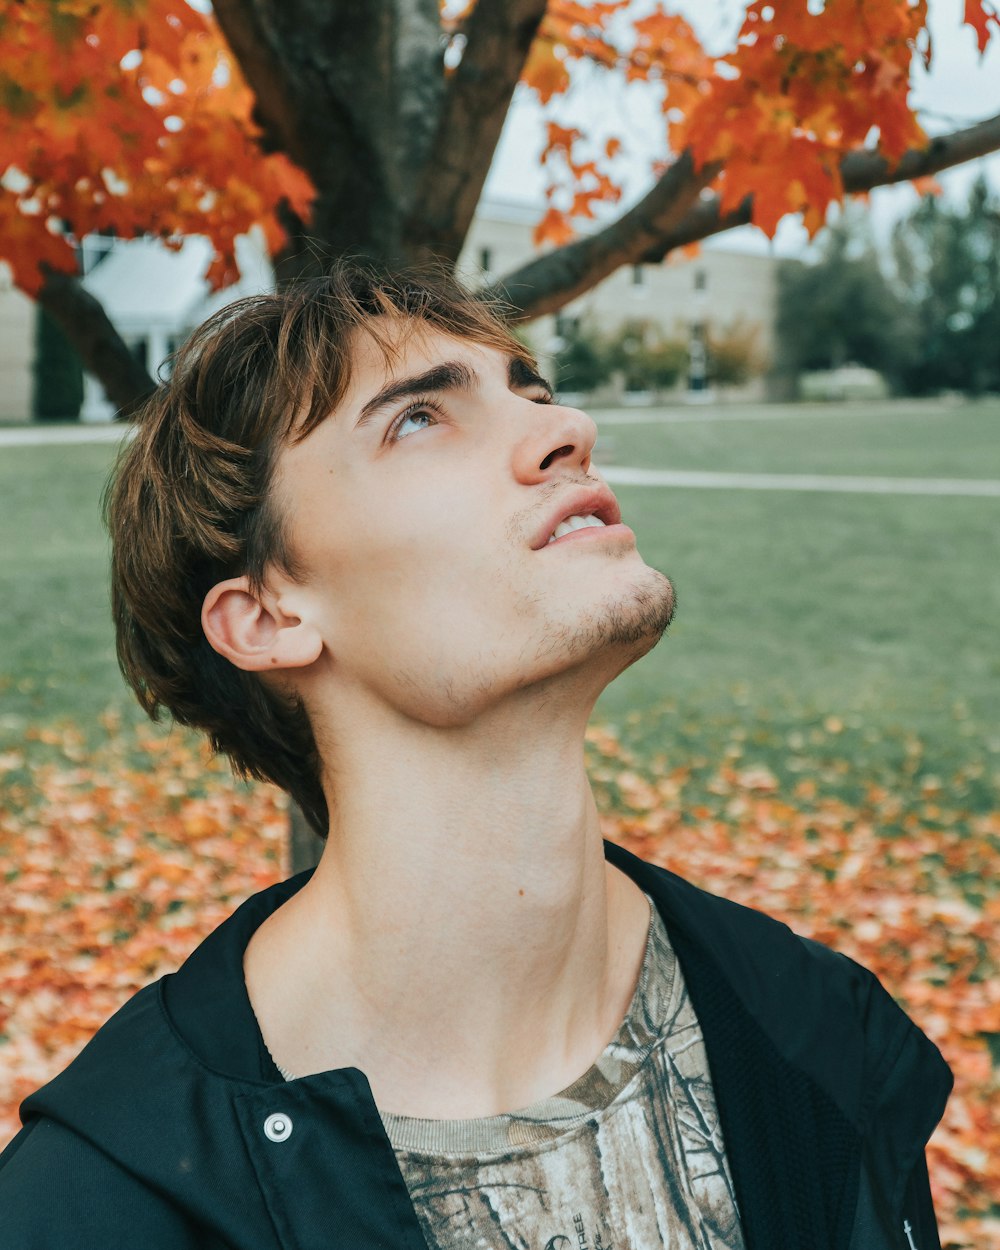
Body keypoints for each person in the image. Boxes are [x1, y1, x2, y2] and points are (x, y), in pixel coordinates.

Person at [1, 263, 950, 1249]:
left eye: (531, 389)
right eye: (417, 419)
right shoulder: (102, 1204)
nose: (565, 426)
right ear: (267, 615)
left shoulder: (818, 1037)